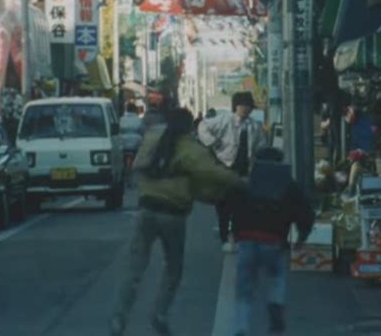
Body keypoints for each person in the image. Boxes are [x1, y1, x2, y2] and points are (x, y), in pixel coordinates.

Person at [109, 108, 245, 336]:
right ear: (189, 127)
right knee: (173, 269)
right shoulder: (190, 149)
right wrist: (240, 181)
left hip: (146, 209)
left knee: (134, 269)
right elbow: (212, 174)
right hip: (173, 215)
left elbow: (137, 166)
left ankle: (118, 318)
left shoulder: (152, 138)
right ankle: (159, 314)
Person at [227, 147, 315, 336]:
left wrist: (233, 233)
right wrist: (302, 235)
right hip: (274, 240)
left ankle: (240, 327)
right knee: (276, 278)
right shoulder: (288, 185)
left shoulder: (247, 182)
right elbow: (304, 211)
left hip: (247, 238)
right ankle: (275, 313)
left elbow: (231, 206)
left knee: (244, 285)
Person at [198, 91, 266, 252]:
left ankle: (236, 236)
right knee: (223, 205)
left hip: (244, 170)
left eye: (249, 106)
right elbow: (203, 126)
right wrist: (212, 142)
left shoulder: (254, 126)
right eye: (243, 106)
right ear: (236, 106)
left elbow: (261, 145)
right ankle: (224, 237)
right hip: (224, 166)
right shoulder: (224, 120)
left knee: (240, 206)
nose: (246, 109)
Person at [119, 102, 144, 187]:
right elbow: (142, 131)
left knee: (123, 161)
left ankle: (124, 174)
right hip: (136, 144)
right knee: (135, 161)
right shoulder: (138, 120)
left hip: (123, 143)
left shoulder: (121, 119)